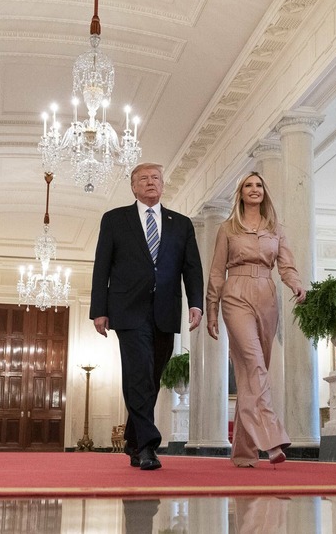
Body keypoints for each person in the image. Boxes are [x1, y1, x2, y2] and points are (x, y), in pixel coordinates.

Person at [90, 162, 204, 471]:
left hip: (166, 310)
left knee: (151, 378)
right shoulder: (115, 220)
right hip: (127, 310)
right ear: (133, 187)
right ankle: (148, 446)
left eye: (155, 178)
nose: (150, 182)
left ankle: (132, 439)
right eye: (143, 178)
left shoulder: (181, 224)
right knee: (139, 371)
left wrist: (196, 303)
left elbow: (191, 267)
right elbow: (102, 265)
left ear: (163, 185)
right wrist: (98, 309)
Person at [201, 172, 306, 468]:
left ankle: (244, 453)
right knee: (254, 364)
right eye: (248, 185)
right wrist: (212, 309)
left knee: (252, 372)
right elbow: (216, 272)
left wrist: (296, 283)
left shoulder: (276, 229)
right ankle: (272, 438)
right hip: (235, 294)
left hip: (267, 296)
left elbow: (286, 265)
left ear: (265, 191)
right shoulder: (227, 229)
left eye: (259, 184)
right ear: (241, 193)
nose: (254, 189)